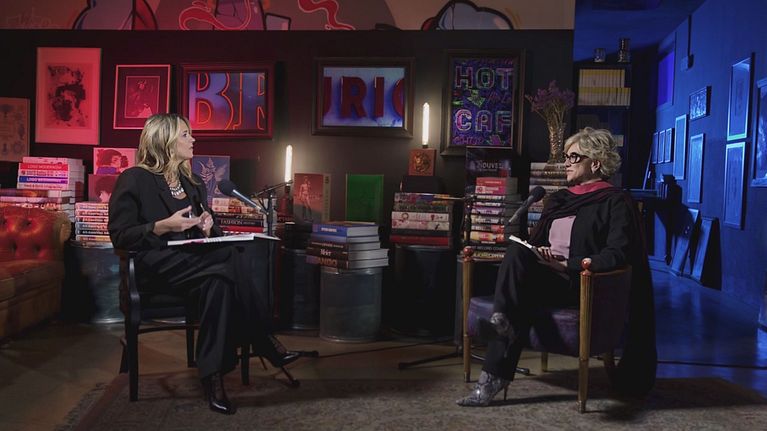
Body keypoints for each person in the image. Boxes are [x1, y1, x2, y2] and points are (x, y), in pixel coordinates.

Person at [108, 113, 299, 415]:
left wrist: (208, 228)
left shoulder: (192, 182)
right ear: (165, 141)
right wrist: (163, 225)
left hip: (195, 267)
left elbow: (209, 232)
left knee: (219, 283)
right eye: (185, 134)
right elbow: (120, 235)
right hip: (153, 268)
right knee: (229, 258)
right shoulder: (134, 178)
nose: (193, 139)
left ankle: (212, 379)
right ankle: (262, 340)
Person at [457, 127, 656, 406]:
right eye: (566, 156)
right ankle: (500, 328)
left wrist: (567, 265)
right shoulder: (560, 199)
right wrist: (537, 251)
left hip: (579, 284)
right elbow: (535, 242)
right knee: (517, 250)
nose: (566, 163)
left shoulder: (615, 202)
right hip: (546, 278)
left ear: (595, 163)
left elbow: (617, 254)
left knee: (517, 300)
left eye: (573, 157)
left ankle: (492, 377)